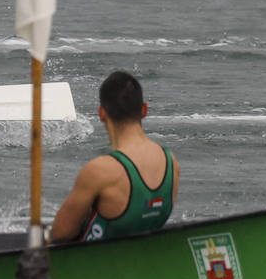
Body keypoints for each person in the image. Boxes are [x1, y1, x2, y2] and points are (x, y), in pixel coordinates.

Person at [51, 71, 180, 243]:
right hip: (145, 260)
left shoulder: (100, 171)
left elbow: (61, 233)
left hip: (96, 264)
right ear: (144, 110)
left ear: (102, 113)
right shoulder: (171, 162)